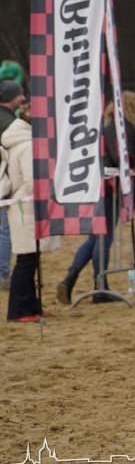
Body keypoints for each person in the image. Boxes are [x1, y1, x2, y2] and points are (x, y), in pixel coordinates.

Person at [57, 91, 135, 303]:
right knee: (103, 239)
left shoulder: (116, 127)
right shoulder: (120, 127)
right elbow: (123, 159)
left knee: (95, 237)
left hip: (103, 187)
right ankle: (98, 288)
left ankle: (72, 279)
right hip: (111, 189)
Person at [4, 104, 60, 322]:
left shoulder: (22, 142)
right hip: (25, 208)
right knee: (26, 260)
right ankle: (19, 310)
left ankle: (30, 305)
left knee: (31, 258)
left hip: (24, 207)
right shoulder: (27, 145)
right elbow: (32, 181)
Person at [0, 79, 25, 287]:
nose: (23, 98)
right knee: (4, 230)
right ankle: (2, 274)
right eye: (20, 95)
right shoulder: (7, 122)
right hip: (2, 184)